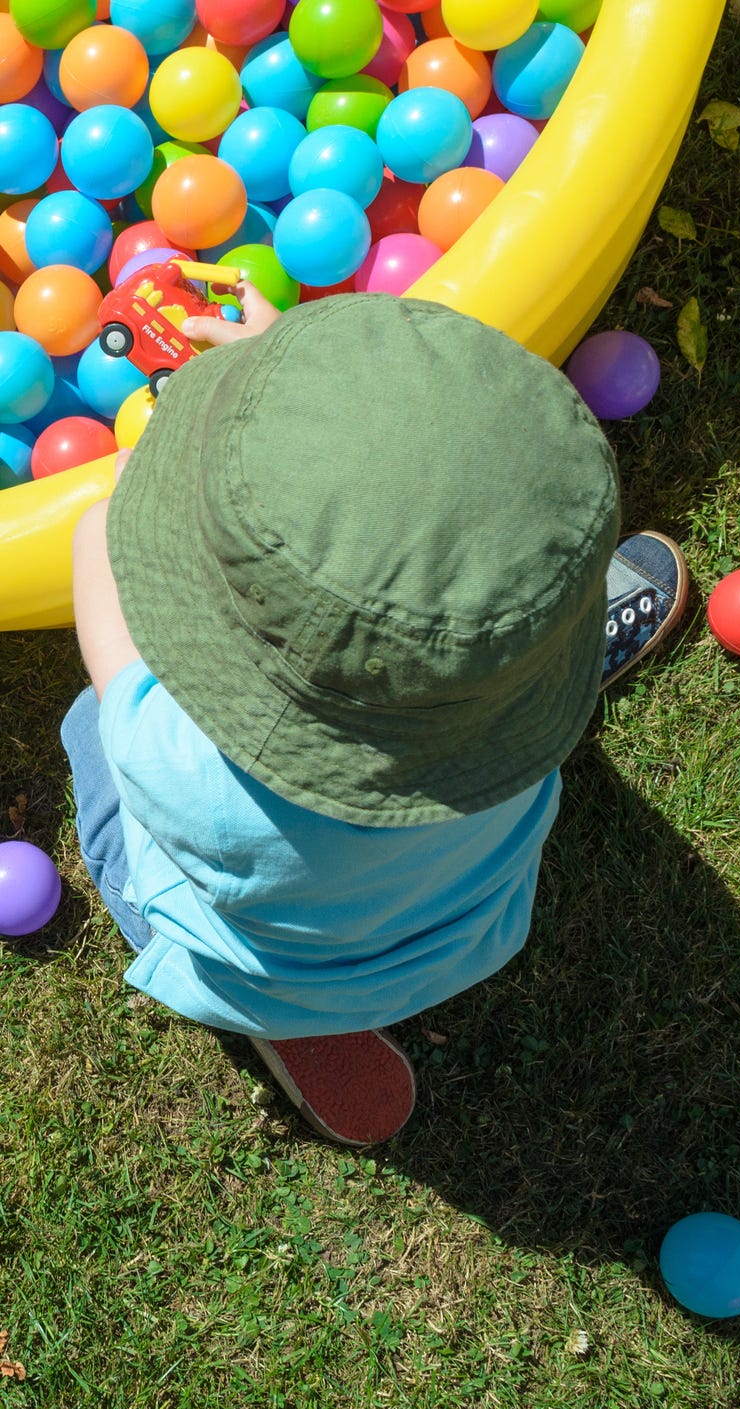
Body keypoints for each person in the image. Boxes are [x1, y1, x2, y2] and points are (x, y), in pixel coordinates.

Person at [62, 284, 687, 1149]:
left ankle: (292, 1021)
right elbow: (417, 493)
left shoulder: (171, 756)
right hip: (471, 925)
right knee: (507, 677)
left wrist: (164, 475)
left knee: (83, 731)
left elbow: (100, 536)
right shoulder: (533, 595)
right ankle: (516, 667)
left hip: (266, 962)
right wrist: (305, 394)